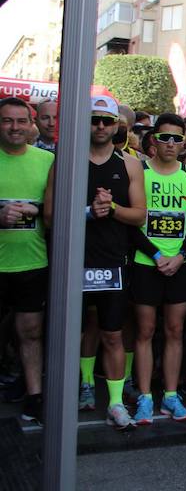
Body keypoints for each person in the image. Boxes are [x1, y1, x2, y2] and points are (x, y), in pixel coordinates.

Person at [47, 96, 147, 429]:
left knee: (112, 334)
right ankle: (83, 385)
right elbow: (49, 216)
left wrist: (113, 208)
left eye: (107, 120)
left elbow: (139, 216)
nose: (101, 126)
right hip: (73, 260)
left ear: (117, 124)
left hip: (111, 262)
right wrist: (90, 211)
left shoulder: (130, 164)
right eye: (94, 120)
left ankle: (116, 403)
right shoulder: (67, 160)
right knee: (71, 332)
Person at [130, 114, 186, 424]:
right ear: (153, 141)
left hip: (179, 264)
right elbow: (133, 222)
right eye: (164, 138)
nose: (171, 144)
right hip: (146, 262)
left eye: (177, 138)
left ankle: (170, 397)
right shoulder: (139, 171)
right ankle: (145, 397)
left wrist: (182, 255)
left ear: (183, 142)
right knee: (145, 332)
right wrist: (156, 254)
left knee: (175, 331)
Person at [0, 98, 54, 423]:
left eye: (21, 121)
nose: (15, 127)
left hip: (32, 263)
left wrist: (42, 213)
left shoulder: (47, 160)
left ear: (30, 123)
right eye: (7, 121)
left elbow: (55, 213)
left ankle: (35, 396)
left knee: (31, 332)